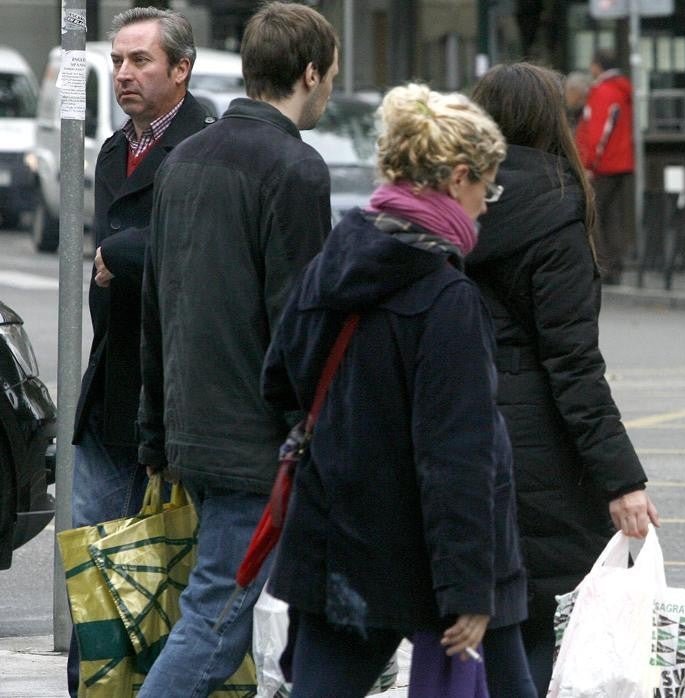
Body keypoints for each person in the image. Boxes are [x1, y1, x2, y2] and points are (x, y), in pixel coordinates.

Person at [261, 81, 534, 698]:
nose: (486, 206)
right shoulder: (446, 299)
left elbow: (278, 379)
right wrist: (469, 590)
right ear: (457, 177)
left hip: (338, 542)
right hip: (442, 555)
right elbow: (458, 455)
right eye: (485, 187)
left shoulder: (334, 262)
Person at [135, 4, 338, 695]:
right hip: (255, 442)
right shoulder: (295, 168)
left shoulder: (185, 158)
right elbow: (301, 323)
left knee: (253, 622)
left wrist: (155, 432)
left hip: (196, 427)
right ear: (310, 73)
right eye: (330, 75)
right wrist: (314, 435)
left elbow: (155, 305)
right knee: (216, 623)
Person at [469, 62, 660, 694]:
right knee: (540, 617)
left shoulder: (445, 200)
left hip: (450, 427)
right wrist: (622, 480)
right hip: (534, 443)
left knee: (477, 614)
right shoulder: (555, 208)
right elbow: (573, 362)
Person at [65, 7, 212, 694]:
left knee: (157, 583)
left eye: (140, 61)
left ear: (180, 69)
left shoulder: (203, 149)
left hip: (166, 402)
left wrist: (119, 254)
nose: (123, 73)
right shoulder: (112, 150)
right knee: (94, 576)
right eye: (119, 60)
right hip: (109, 393)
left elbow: (198, 254)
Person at [574, 49, 634, 284]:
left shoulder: (602, 92)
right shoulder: (622, 89)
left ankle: (604, 265)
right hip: (621, 161)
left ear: (597, 66)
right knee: (612, 216)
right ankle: (615, 264)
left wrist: (589, 164)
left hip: (604, 165)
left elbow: (598, 132)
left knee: (595, 215)